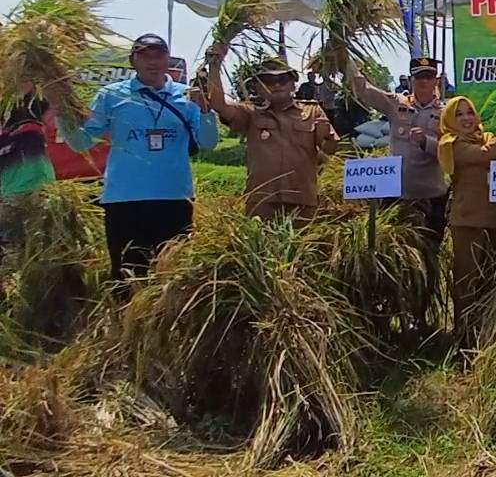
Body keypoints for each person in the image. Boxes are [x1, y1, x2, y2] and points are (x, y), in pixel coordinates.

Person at [46, 33, 219, 294]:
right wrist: (61, 110)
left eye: (158, 55)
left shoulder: (187, 95)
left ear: (167, 59)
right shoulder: (111, 96)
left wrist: (205, 111)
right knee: (126, 276)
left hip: (173, 198)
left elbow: (207, 143)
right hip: (124, 199)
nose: (153, 62)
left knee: (173, 276)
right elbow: (82, 142)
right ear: (133, 61)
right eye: (145, 56)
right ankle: (124, 330)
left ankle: (165, 332)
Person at [438, 96, 496, 349]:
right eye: (459, 115)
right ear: (449, 121)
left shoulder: (487, 137)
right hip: (468, 222)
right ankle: (464, 339)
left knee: (490, 279)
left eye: (470, 112)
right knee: (467, 281)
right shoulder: (452, 144)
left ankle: (486, 333)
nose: (467, 118)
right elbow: (487, 155)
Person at [206, 44, 338, 223]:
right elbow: (218, 105)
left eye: (282, 80)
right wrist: (215, 65)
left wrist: (327, 138)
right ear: (259, 88)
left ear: (293, 84)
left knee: (301, 249)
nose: (276, 85)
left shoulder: (312, 111)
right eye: (268, 81)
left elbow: (330, 150)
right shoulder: (250, 113)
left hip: (302, 200)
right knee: (259, 249)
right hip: (262, 201)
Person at [346, 56, 449, 247]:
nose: (424, 81)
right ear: (411, 81)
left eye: (428, 76)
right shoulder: (396, 104)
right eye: (419, 77)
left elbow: (450, 150)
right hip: (398, 192)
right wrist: (346, 60)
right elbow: (364, 90)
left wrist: (426, 142)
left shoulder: (447, 112)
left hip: (431, 192)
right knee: (395, 246)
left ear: (436, 80)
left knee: (430, 248)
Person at [0, 89, 56, 271]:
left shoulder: (30, 108)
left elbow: (57, 90)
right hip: (10, 194)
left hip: (44, 190)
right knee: (13, 251)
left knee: (46, 250)